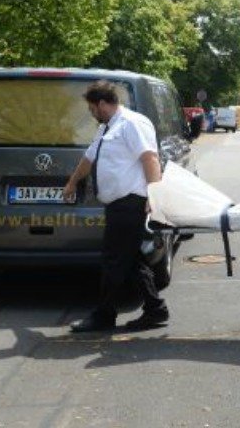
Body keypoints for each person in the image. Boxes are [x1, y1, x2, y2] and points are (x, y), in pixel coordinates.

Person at [64, 81, 169, 333]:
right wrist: (71, 183)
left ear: (102, 104)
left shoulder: (132, 123)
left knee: (113, 259)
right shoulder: (107, 128)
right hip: (117, 205)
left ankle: (104, 314)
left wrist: (154, 196)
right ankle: (156, 309)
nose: (91, 114)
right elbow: (88, 158)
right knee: (131, 259)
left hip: (131, 203)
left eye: (92, 109)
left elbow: (150, 158)